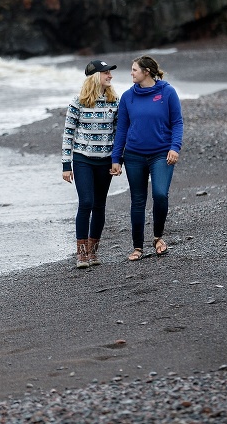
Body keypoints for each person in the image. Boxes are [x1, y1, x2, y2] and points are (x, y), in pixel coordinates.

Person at [110, 55, 183, 261]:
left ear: (146, 72)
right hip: (133, 155)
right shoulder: (127, 97)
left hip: (161, 153)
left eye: (134, 70)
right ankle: (137, 248)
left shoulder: (167, 92)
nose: (131, 73)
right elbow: (122, 130)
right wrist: (116, 159)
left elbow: (177, 122)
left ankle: (158, 237)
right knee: (138, 201)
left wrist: (174, 147)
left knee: (160, 194)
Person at [62, 60, 120, 268]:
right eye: (106, 73)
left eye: (110, 73)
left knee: (99, 205)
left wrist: (117, 160)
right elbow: (68, 135)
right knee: (86, 202)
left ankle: (93, 251)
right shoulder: (77, 102)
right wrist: (66, 165)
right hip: (82, 159)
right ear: (96, 76)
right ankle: (81, 253)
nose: (110, 76)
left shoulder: (114, 101)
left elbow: (118, 133)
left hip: (105, 160)